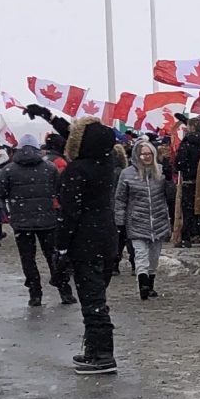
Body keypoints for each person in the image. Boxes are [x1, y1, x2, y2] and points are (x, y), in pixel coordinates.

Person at [59, 116, 121, 373]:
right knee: (98, 297)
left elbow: (69, 212)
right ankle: (94, 349)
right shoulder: (107, 164)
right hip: (107, 237)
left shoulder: (77, 171)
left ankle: (102, 354)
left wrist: (61, 245)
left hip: (84, 240)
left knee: (92, 299)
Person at [0, 135, 72, 308]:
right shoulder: (50, 168)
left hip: (21, 220)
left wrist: (7, 212)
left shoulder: (9, 170)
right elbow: (59, 190)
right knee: (52, 256)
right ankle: (64, 291)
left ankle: (35, 293)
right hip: (47, 219)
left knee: (28, 258)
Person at [114, 139, 174, 300]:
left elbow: (171, 196)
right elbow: (120, 199)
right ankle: (143, 284)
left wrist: (169, 180)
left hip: (158, 219)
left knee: (154, 256)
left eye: (149, 154)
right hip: (137, 220)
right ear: (137, 155)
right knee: (140, 254)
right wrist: (119, 220)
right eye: (143, 154)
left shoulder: (159, 172)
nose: (146, 157)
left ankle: (151, 282)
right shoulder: (127, 174)